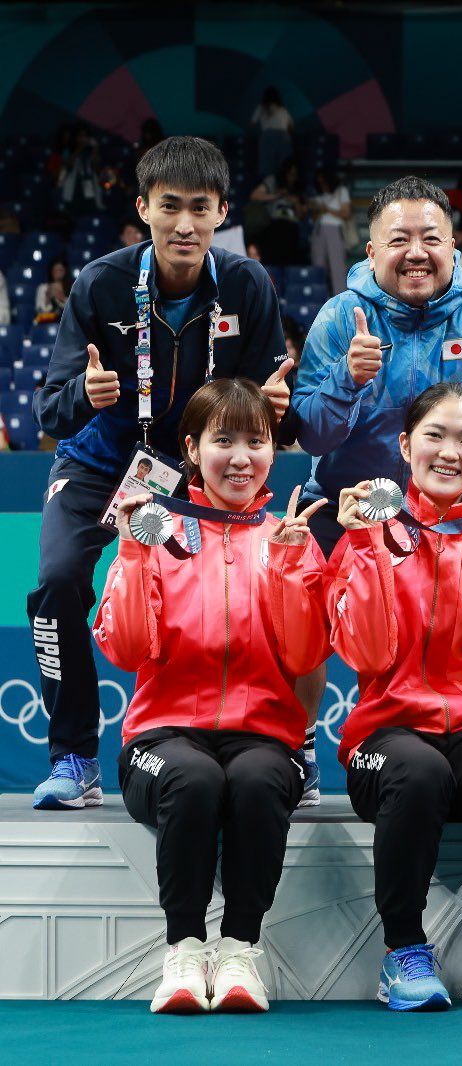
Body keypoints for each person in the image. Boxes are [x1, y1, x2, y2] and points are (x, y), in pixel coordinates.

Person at [29, 135, 293, 811]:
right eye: (169, 206)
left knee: (260, 590)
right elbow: (50, 412)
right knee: (58, 581)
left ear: (222, 212)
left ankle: (270, 744)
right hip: (97, 461)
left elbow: (269, 410)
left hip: (193, 474)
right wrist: (84, 394)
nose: (184, 224)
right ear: (143, 207)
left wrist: (277, 409)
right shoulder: (100, 284)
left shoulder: (246, 285)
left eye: (200, 208)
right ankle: (73, 756)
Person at [93, 377, 329, 1014]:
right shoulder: (156, 531)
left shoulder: (290, 537)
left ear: (274, 451)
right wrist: (132, 555)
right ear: (192, 449)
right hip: (162, 738)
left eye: (257, 441)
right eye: (223, 440)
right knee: (193, 779)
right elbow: (125, 650)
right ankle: (184, 949)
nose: (241, 457)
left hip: (263, 737)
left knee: (257, 780)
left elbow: (307, 657)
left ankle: (240, 950)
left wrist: (289, 570)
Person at [292, 175, 462, 768]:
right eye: (399, 240)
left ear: (453, 246)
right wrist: (347, 381)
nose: (416, 252)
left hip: (452, 518)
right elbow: (311, 433)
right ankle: (298, 746)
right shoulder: (339, 317)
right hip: (347, 512)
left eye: (430, 238)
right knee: (300, 626)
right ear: (372, 251)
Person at [329, 383, 462, 1012]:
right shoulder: (364, 533)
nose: (449, 452)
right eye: (435, 436)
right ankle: (403, 951)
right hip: (387, 737)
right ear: (405, 446)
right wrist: (367, 547)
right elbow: (367, 656)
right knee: (417, 770)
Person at [249, 158, 306, 266]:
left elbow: (302, 215)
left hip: (291, 228)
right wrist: (276, 196)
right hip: (273, 225)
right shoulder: (274, 181)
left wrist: (295, 202)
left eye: (294, 174)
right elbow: (254, 195)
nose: (291, 177)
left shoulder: (300, 188)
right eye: (289, 173)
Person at [309, 166, 352, 296]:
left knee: (337, 266)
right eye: (319, 182)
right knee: (318, 265)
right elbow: (313, 216)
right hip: (319, 230)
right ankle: (317, 297)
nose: (322, 185)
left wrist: (326, 209)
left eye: (324, 182)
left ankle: (340, 297)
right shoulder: (318, 196)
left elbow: (346, 213)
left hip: (334, 229)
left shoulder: (341, 191)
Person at [250, 87, 294, 183]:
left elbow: (252, 124)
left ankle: (269, 186)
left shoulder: (261, 108)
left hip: (268, 137)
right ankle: (280, 185)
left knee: (268, 166)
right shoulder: (283, 110)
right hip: (283, 137)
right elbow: (291, 126)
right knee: (283, 164)